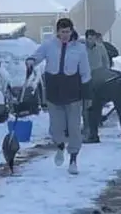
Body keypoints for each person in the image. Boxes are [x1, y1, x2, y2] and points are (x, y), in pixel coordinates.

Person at [26, 18, 92, 175]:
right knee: (56, 128)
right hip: (54, 93)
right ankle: (60, 146)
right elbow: (38, 56)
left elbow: (85, 72)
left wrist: (87, 93)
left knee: (74, 128)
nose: (65, 35)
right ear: (57, 32)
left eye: (68, 32)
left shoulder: (80, 49)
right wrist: (30, 61)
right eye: (62, 32)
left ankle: (73, 159)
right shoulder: (49, 45)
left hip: (73, 94)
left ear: (72, 31)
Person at [84, 66, 121, 145]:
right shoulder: (106, 71)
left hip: (103, 86)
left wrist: (97, 116)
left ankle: (93, 136)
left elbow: (93, 100)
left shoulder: (90, 78)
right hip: (118, 82)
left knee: (92, 112)